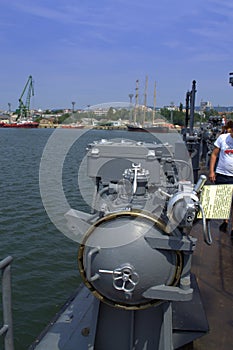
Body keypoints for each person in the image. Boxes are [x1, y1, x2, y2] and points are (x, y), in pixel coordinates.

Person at [209, 121, 233, 237]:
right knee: (224, 200)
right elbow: (214, 154)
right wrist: (212, 171)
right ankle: (225, 221)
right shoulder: (223, 138)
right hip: (223, 174)